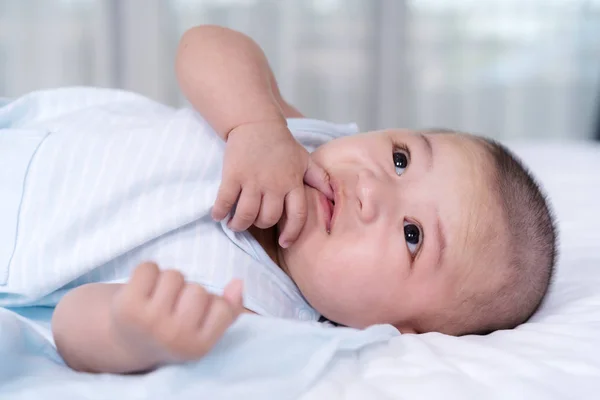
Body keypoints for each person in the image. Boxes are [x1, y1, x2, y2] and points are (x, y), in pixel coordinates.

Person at [0, 26, 556, 374]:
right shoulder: (296, 137)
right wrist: (256, 125)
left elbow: (72, 326)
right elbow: (205, 43)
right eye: (401, 159)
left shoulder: (258, 314)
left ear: (397, 330)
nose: (372, 188)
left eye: (412, 235)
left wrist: (131, 330)